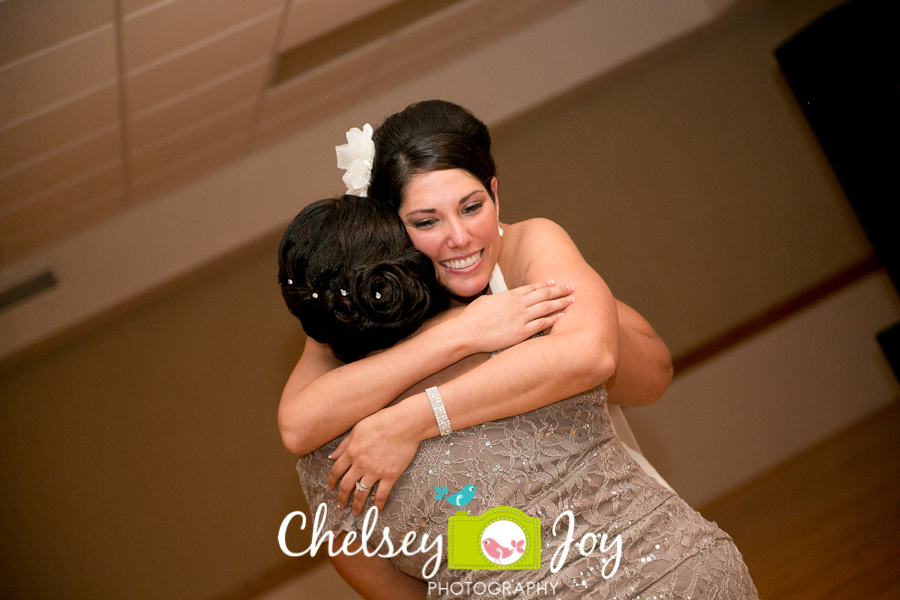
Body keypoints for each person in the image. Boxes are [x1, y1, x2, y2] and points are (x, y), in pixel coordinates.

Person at [277, 195, 759, 599]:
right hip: (681, 569)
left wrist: (528, 566)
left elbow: (418, 574)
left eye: (468, 209)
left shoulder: (333, 456)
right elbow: (651, 369)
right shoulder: (520, 322)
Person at [278, 101, 674, 519]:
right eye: (426, 222)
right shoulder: (370, 303)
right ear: (391, 227)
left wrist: (414, 418)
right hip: (512, 546)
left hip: (613, 513)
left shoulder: (529, 244)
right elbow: (297, 426)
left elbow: (611, 361)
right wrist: (461, 335)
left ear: (495, 195)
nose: (460, 238)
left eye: (471, 207)